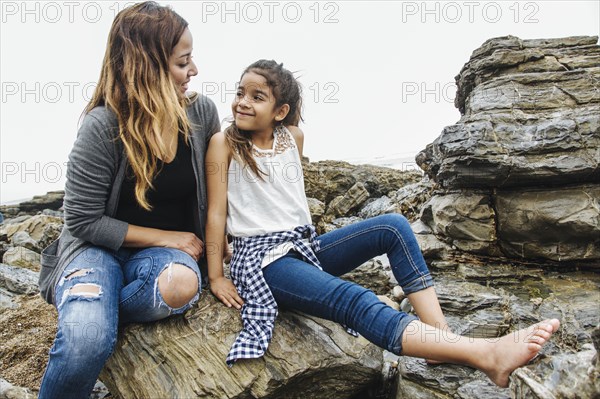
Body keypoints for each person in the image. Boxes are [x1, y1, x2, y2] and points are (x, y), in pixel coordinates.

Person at [204, 59, 560, 388]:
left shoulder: (291, 137)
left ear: (281, 111)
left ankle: (440, 340)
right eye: (240, 93)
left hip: (304, 247)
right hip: (264, 262)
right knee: (354, 298)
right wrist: (218, 274)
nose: (242, 103)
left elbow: (285, 195)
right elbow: (217, 213)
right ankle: (485, 354)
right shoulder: (225, 144)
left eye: (257, 97)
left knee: (392, 226)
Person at [37, 2, 222, 397]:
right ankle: (87, 308)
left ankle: (92, 304)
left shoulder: (202, 114)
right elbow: (83, 221)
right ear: (147, 66)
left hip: (160, 264)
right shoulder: (102, 125)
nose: (194, 71)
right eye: (182, 62)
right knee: (87, 339)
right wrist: (166, 237)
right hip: (93, 249)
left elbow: (221, 193)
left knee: (182, 285)